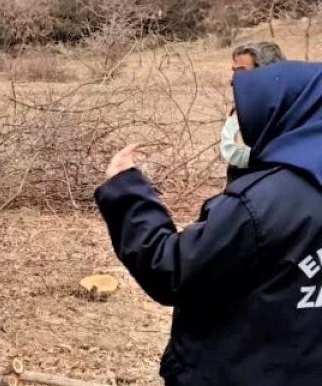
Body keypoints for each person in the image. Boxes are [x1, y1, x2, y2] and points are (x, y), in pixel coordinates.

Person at [96, 61, 322, 386]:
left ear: (283, 114)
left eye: (241, 115)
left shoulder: (259, 204)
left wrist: (125, 189)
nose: (233, 125)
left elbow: (171, 270)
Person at [219, 41, 284, 182]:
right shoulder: (243, 103)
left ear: (265, 72)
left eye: (242, 71)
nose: (235, 79)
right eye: (234, 71)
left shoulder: (284, 113)